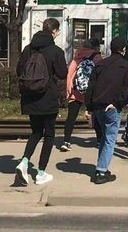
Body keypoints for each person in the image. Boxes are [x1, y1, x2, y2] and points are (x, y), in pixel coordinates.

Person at [15, 17, 68, 186]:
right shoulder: (56, 51)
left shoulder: (28, 49)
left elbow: (19, 70)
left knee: (36, 132)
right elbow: (62, 73)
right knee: (49, 134)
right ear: (54, 31)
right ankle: (41, 172)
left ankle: (24, 161)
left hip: (30, 98)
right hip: (48, 97)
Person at [84, 36, 128, 184]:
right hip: (112, 107)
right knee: (110, 139)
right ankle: (101, 171)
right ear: (123, 49)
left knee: (105, 138)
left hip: (98, 106)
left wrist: (89, 107)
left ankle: (101, 167)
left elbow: (91, 87)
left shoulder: (100, 64)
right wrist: (118, 103)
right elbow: (127, 88)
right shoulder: (126, 66)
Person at [59, 38, 103, 152]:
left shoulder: (77, 57)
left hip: (76, 91)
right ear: (96, 47)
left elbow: (70, 73)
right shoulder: (97, 57)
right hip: (92, 92)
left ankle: (66, 141)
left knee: (71, 117)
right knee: (96, 116)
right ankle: (99, 140)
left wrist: (69, 90)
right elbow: (100, 75)